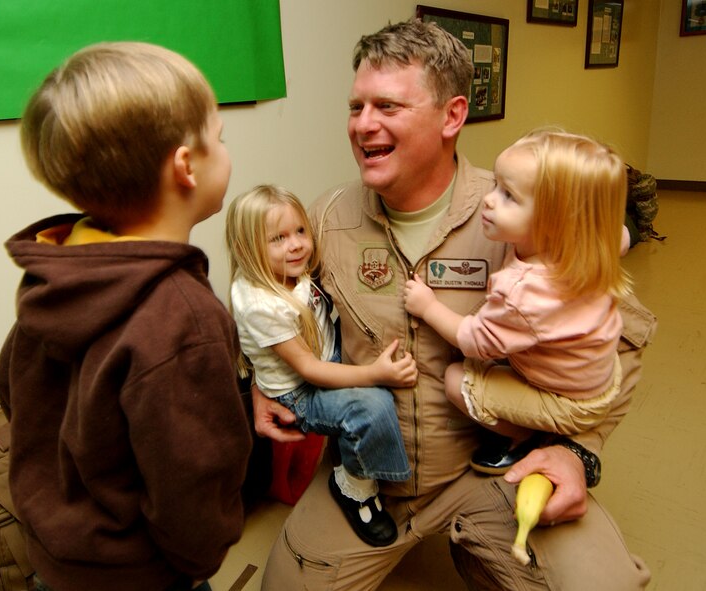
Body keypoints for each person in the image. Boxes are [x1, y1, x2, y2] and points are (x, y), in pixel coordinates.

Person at [253, 19, 655, 590]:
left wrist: (575, 452)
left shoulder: (526, 212)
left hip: (496, 466)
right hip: (368, 474)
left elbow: (617, 340)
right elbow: (272, 301)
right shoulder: (322, 221)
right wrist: (260, 381)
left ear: (452, 116)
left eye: (388, 106)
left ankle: (482, 547)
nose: (363, 125)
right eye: (356, 107)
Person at [0, 42, 252, 591]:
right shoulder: (183, 318)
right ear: (185, 165)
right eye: (219, 138)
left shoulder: (61, 266)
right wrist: (197, 559)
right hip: (142, 575)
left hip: (58, 560)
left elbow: (11, 388)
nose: (225, 150)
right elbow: (193, 487)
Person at [403, 130, 632, 474]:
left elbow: (476, 342)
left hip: (566, 401)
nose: (489, 200)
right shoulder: (592, 241)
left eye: (509, 196)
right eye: (496, 185)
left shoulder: (522, 290)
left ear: (557, 221)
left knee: (455, 379)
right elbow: (622, 238)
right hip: (598, 376)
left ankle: (528, 438)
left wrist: (428, 306)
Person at [226, 184, 416, 547]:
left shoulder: (288, 268)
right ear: (247, 251)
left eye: (299, 231)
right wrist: (374, 374)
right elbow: (310, 370)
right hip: (300, 392)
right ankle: (355, 487)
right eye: (278, 238)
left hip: (322, 352)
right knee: (372, 406)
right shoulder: (262, 305)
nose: (296, 244)